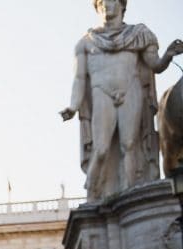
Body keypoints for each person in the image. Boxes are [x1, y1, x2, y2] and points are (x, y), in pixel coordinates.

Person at [59, 0, 183, 202]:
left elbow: (155, 65)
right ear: (97, 7)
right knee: (101, 149)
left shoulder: (138, 34)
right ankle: (92, 197)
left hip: (131, 89)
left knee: (130, 144)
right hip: (102, 93)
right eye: (102, 3)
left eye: (112, 1)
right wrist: (73, 107)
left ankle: (130, 195)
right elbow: (79, 79)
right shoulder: (86, 42)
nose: (107, 6)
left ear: (122, 6)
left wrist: (168, 55)